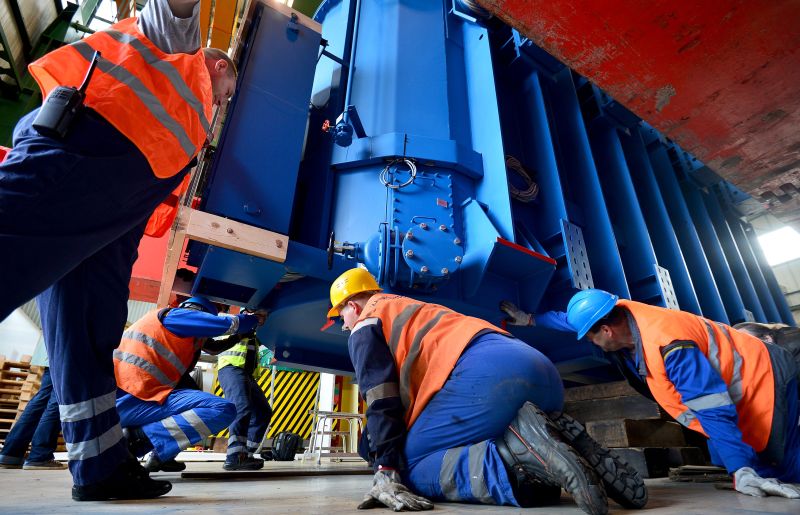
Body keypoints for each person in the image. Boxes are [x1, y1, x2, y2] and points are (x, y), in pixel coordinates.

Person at [0, 0, 237, 500]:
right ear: (217, 66)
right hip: (78, 156)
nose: (222, 105)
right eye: (226, 92)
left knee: (87, 334)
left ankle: (101, 466)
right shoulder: (180, 45)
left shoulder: (191, 112)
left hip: (114, 215)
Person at [327, 268, 646, 514]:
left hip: (491, 383)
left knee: (407, 467)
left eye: (340, 314)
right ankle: (545, 443)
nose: (342, 325)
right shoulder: (411, 308)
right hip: (540, 373)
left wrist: (385, 467)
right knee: (446, 443)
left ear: (352, 306)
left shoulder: (365, 324)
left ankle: (516, 462)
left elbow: (382, 398)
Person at [504, 290, 800, 499]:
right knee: (736, 458)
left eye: (591, 337)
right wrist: (530, 319)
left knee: (779, 464)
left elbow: (712, 406)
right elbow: (571, 321)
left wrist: (742, 469)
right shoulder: (618, 312)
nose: (591, 343)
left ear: (606, 331)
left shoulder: (670, 346)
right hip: (742, 382)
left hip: (766, 380)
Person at [116, 296, 264, 480]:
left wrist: (239, 337)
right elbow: (228, 324)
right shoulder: (176, 316)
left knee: (192, 395)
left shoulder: (178, 328)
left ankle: (163, 454)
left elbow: (212, 348)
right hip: (133, 397)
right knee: (220, 409)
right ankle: (136, 438)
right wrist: (256, 318)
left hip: (137, 397)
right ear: (201, 313)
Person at [217, 333, 274, 470]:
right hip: (231, 368)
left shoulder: (256, 332)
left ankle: (246, 453)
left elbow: (266, 338)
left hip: (246, 373)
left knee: (262, 412)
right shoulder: (241, 322)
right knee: (241, 406)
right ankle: (234, 456)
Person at [0, 362, 65, 471]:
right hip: (68, 353)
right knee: (59, 397)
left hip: (50, 354)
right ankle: (40, 455)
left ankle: (11, 454)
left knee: (43, 397)